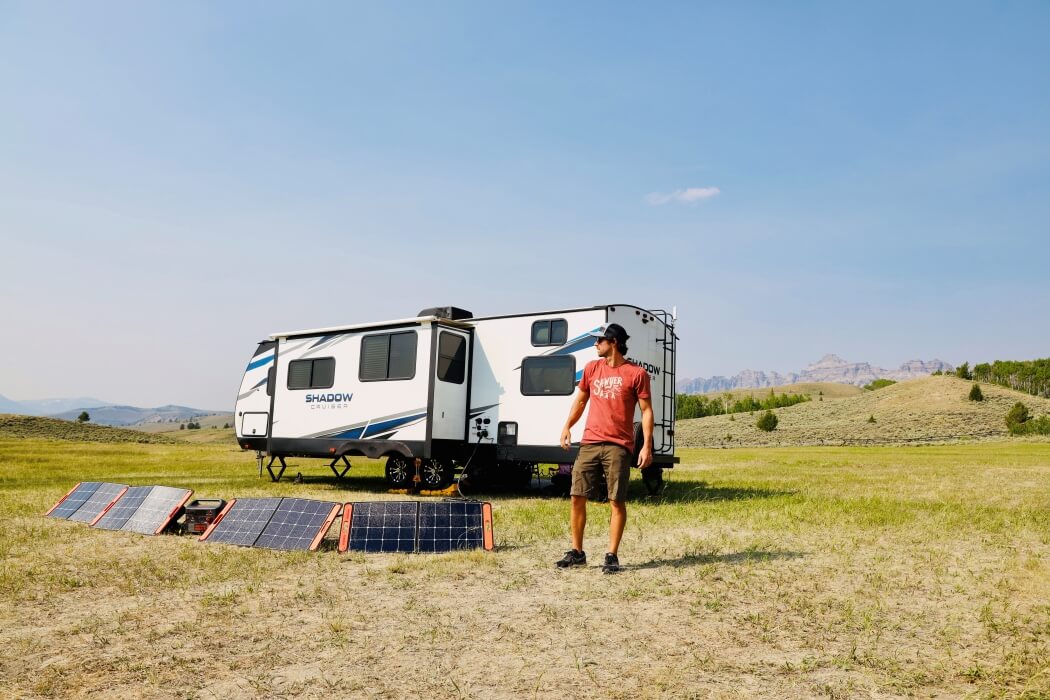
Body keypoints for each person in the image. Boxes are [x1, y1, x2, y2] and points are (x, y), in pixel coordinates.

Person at [556, 323, 653, 573]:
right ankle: (577, 553)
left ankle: (612, 555)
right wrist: (567, 426)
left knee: (616, 501)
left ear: (614, 343)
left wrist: (646, 446)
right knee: (577, 496)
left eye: (600, 340)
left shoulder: (636, 373)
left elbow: (646, 411)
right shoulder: (591, 369)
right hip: (589, 442)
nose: (596, 344)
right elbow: (580, 401)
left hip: (618, 446)